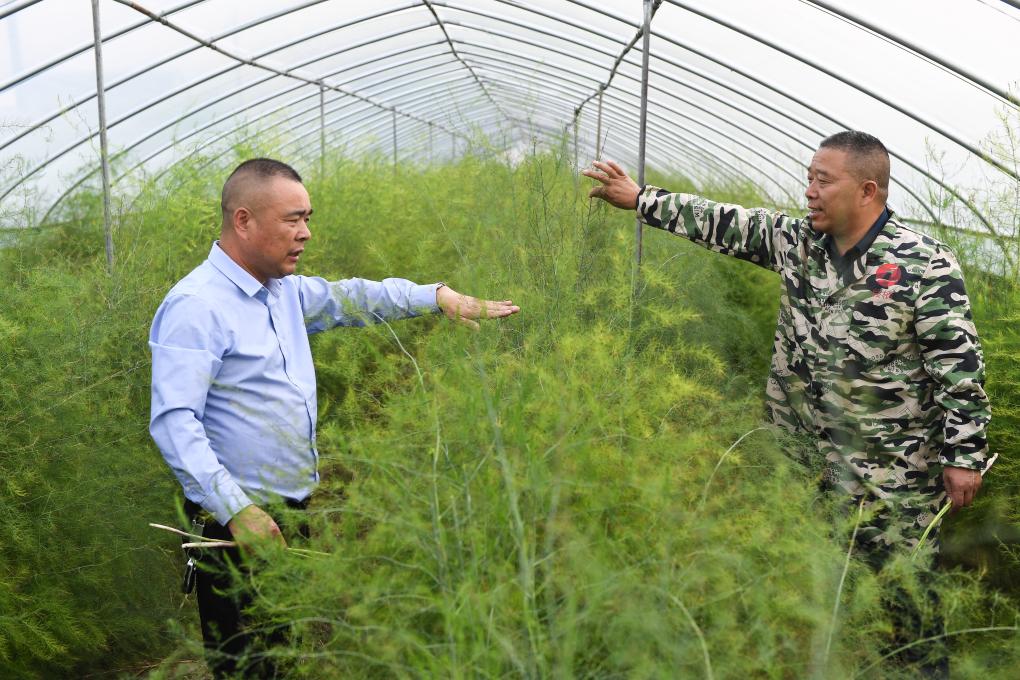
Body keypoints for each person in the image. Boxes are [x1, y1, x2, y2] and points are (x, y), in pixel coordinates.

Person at [584, 131, 992, 672]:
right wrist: (640, 199)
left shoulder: (924, 265)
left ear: (868, 190)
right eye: (809, 178)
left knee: (903, 602)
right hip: (800, 463)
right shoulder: (797, 242)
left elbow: (958, 367)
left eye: (824, 181)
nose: (810, 191)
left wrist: (963, 456)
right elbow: (720, 220)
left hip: (890, 479)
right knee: (810, 593)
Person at [149, 157, 519, 677]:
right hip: (236, 524)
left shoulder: (283, 291)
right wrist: (237, 511)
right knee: (247, 662)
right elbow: (174, 422)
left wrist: (438, 298)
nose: (305, 233)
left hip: (289, 511)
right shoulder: (197, 306)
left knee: (283, 648)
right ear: (244, 221)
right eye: (292, 219)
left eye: (308, 218)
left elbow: (356, 297)